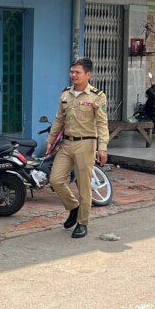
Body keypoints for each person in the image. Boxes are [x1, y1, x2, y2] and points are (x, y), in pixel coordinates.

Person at [45, 57, 109, 239]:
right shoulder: (65, 94)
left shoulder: (97, 96)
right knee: (55, 180)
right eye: (71, 71)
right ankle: (74, 207)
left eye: (77, 72)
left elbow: (102, 124)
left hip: (86, 144)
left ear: (88, 74)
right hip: (66, 144)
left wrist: (102, 147)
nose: (73, 75)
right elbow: (59, 119)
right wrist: (50, 140)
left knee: (84, 186)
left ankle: (82, 222)